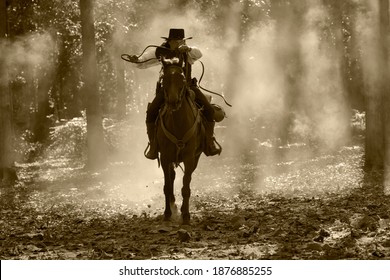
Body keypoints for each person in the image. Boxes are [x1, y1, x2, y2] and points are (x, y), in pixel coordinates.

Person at [129, 28, 222, 160]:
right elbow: (143, 60)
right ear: (169, 41)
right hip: (167, 89)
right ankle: (154, 146)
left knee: (209, 109)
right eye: (175, 41)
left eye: (180, 41)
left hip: (189, 87)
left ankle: (209, 142)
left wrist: (188, 49)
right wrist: (136, 59)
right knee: (151, 112)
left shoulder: (187, 52)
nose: (178, 43)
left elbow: (199, 53)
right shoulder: (161, 51)